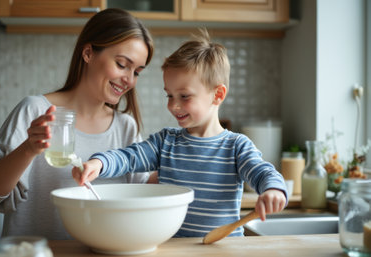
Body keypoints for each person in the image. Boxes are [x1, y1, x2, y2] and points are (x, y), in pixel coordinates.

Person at [72, 29, 288, 238]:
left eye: (184, 96)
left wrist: (273, 190)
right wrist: (99, 164)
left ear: (218, 95)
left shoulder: (237, 147)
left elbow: (263, 172)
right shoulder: (165, 142)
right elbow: (129, 157)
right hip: (173, 248)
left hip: (224, 248)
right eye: (169, 96)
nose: (174, 106)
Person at [0, 8, 154, 240]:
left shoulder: (125, 127)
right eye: (121, 64)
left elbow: (145, 191)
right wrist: (28, 148)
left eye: (137, 71)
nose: (129, 80)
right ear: (88, 53)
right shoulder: (35, 110)